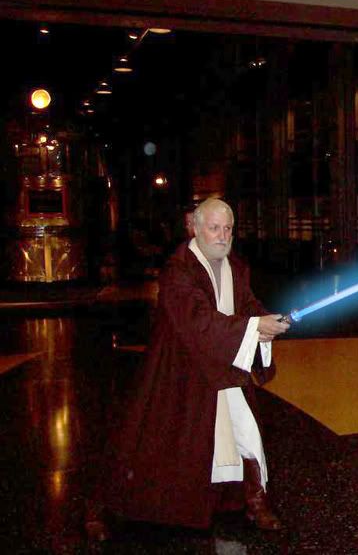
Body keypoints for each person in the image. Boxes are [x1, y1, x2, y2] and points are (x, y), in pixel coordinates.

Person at [85, 198, 290, 541]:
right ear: (195, 228)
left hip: (226, 364)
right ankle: (104, 504)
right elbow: (196, 319)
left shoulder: (235, 267)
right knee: (154, 442)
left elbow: (247, 304)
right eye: (214, 228)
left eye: (228, 229)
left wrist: (266, 320)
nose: (222, 236)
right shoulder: (178, 270)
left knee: (245, 432)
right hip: (181, 372)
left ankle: (255, 501)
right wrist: (254, 328)